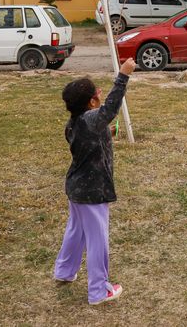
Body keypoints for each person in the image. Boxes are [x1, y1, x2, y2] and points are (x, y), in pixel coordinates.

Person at [54, 58, 136, 304]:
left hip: (76, 189)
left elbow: (88, 136)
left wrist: (106, 133)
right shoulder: (92, 119)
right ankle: (99, 291)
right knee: (97, 240)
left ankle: (64, 271)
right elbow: (110, 109)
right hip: (92, 192)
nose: (101, 94)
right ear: (92, 102)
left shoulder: (74, 123)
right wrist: (123, 75)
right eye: (98, 92)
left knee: (76, 231)